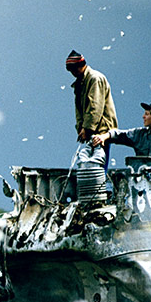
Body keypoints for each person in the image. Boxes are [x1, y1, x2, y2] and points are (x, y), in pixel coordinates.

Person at [66, 50, 118, 202]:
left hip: (101, 130)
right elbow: (80, 109)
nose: (72, 73)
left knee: (98, 165)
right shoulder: (80, 82)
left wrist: (87, 128)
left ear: (81, 66)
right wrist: (81, 128)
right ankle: (93, 195)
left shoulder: (94, 78)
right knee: (91, 163)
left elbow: (95, 106)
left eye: (74, 69)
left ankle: (100, 196)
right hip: (90, 130)